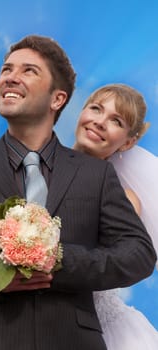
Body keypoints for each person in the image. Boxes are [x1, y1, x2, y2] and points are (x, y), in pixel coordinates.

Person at [0, 35, 156, 350]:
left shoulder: (97, 175)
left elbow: (139, 256)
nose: (10, 76)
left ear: (57, 99)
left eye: (29, 71)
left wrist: (57, 259)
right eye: (6, 69)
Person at [73, 83, 158, 349]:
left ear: (129, 142)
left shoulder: (123, 199)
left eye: (116, 121)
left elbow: (102, 260)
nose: (99, 122)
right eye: (96, 108)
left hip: (97, 329)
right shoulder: (34, 168)